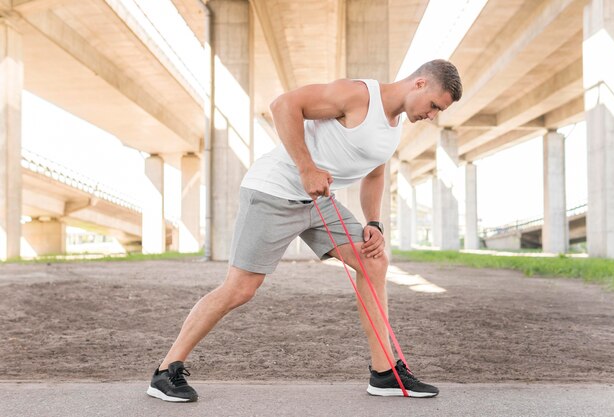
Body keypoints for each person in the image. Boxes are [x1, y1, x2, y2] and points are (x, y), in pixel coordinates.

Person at [147, 59, 462, 402]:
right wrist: (306, 168)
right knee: (240, 289)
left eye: (438, 112)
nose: (432, 115)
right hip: (273, 193)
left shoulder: (394, 127)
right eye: (434, 106)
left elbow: (374, 174)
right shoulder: (357, 95)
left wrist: (373, 222)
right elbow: (284, 104)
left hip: (317, 202)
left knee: (374, 261)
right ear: (419, 84)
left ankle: (384, 373)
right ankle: (165, 371)